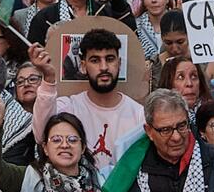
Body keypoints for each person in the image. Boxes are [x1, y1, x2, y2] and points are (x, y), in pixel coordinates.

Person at [34, 28, 145, 173]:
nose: (104, 67)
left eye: (110, 59)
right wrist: (48, 79)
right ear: (83, 66)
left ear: (119, 64)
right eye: (95, 60)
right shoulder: (69, 107)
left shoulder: (138, 114)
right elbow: (40, 134)